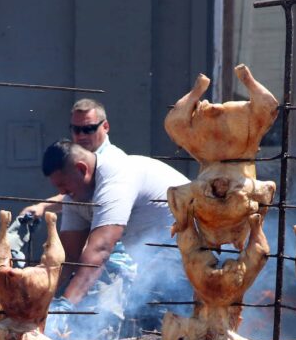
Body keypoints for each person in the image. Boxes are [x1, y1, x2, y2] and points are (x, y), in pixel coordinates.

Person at [41, 140, 189, 306]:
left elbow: (101, 249)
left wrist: (65, 307)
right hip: (152, 263)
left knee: (164, 313)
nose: (61, 192)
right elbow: (69, 256)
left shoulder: (115, 178)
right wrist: (39, 298)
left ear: (82, 169)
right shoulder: (74, 196)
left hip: (191, 251)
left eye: (63, 184)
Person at [20, 98, 125, 218]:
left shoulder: (113, 162)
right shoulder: (78, 158)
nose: (81, 135)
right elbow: (71, 197)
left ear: (105, 126)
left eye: (88, 129)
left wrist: (44, 206)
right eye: (76, 129)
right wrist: (42, 207)